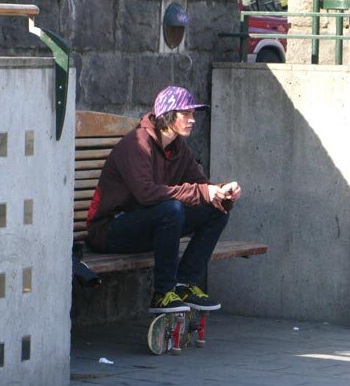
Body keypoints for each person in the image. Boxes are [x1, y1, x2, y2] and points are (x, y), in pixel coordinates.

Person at [85, 85, 242, 317]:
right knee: (172, 210)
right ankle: (163, 292)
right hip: (110, 231)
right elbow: (145, 194)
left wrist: (221, 193)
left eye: (193, 114)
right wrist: (203, 191)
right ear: (168, 115)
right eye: (186, 114)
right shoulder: (137, 143)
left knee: (216, 212)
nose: (192, 120)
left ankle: (184, 284)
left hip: (148, 226)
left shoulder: (179, 149)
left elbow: (200, 187)